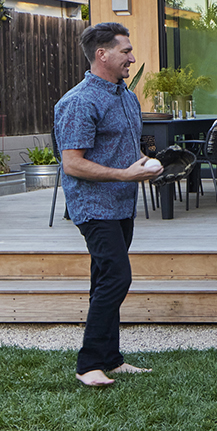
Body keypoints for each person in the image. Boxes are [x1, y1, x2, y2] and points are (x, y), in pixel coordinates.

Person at [54, 22, 162, 387]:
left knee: (104, 279)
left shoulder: (126, 96)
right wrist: (124, 175)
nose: (132, 57)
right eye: (125, 51)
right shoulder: (79, 102)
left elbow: (129, 148)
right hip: (93, 205)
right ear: (102, 55)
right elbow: (72, 162)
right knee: (117, 276)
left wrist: (150, 162)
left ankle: (111, 359)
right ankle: (88, 364)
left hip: (122, 203)